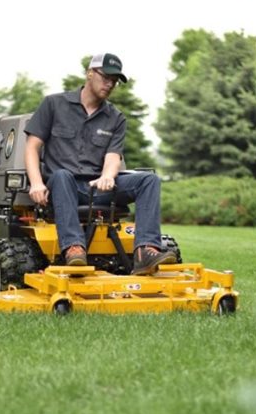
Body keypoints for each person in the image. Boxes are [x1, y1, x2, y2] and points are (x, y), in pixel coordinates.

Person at [24, 52, 176, 275]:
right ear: (89, 73)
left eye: (114, 81)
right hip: (64, 187)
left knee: (149, 180)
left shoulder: (115, 118)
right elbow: (32, 147)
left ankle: (145, 251)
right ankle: (74, 249)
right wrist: (36, 183)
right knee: (62, 175)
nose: (110, 84)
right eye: (105, 77)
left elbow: (113, 156)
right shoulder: (54, 104)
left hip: (98, 188)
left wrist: (107, 176)